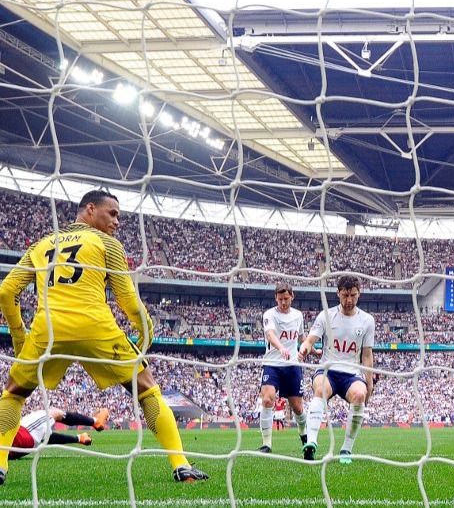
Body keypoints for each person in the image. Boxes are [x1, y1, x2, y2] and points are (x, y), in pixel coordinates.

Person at [0, 190, 208, 484]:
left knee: (14, 394)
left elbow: (6, 292)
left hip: (48, 331)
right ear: (90, 209)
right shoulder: (106, 243)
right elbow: (127, 299)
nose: (117, 221)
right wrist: (145, 328)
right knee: (147, 391)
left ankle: (0, 465)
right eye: (112, 214)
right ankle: (180, 465)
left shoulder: (41, 244)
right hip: (95, 326)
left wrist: (19, 335)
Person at [298, 275, 375, 464]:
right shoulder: (326, 316)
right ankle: (311, 443)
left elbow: (367, 355)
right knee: (320, 389)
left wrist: (369, 382)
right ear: (338, 294)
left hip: (352, 374)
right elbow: (310, 340)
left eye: (353, 295)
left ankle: (346, 449)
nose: (349, 300)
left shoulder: (367, 320)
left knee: (359, 395)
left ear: (359, 294)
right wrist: (304, 348)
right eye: (345, 295)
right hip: (328, 370)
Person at [258, 282, 307, 453]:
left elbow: (301, 337)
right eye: (280, 299)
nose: (283, 302)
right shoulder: (269, 314)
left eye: (286, 298)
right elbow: (270, 334)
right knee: (267, 400)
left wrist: (311, 349)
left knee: (297, 407)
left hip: (292, 365)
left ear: (292, 296)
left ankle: (304, 436)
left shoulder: (298, 315)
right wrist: (280, 348)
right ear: (275, 298)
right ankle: (266, 444)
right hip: (272, 364)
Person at [9, 408, 109, 460]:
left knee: (44, 436)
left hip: (13, 450)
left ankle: (79, 438)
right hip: (22, 436)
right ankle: (95, 421)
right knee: (55, 413)